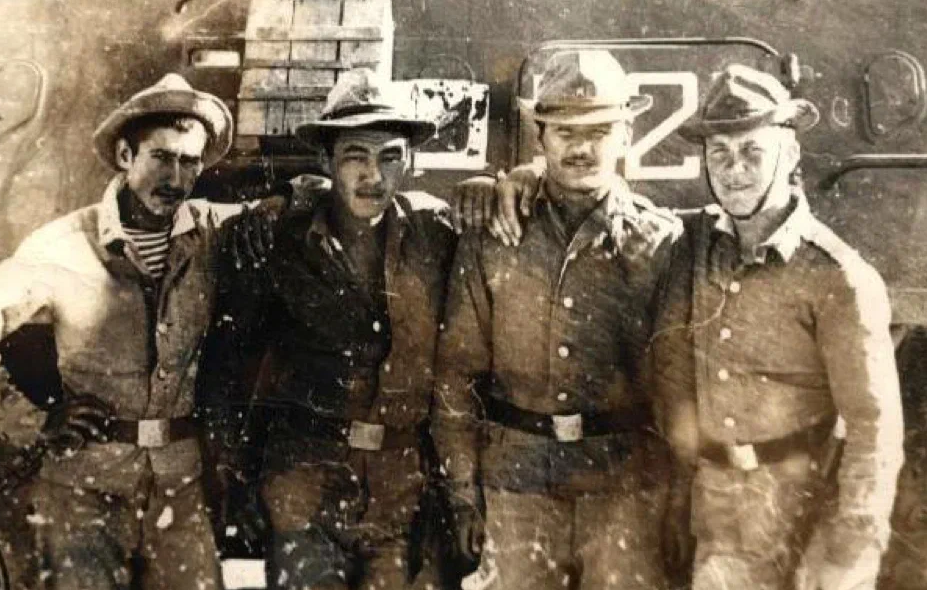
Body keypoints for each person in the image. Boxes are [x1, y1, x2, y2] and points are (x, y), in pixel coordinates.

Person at [431, 50, 681, 590]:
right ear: (539, 136)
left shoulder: (662, 242)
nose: (581, 148)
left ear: (626, 136)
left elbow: (680, 387)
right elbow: (456, 372)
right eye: (565, 131)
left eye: (600, 131)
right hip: (517, 485)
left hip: (625, 488)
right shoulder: (494, 235)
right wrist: (463, 492)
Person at [649, 64, 904, 590]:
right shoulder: (696, 245)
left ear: (788, 155)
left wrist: (851, 545)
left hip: (808, 511)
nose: (734, 170)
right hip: (720, 510)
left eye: (753, 151)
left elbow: (873, 426)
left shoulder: (837, 276)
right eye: (719, 153)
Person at [212, 68, 455, 590]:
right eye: (355, 156)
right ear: (325, 161)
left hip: (400, 488)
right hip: (303, 483)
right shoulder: (279, 238)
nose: (374, 176)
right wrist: (235, 474)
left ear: (410, 162)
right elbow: (232, 361)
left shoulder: (434, 234)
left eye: (390, 156)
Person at [0, 73, 245, 589]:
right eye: (161, 157)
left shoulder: (210, 235)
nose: (176, 177)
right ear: (124, 156)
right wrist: (30, 422)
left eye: (190, 161)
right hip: (83, 488)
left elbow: (295, 206)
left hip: (177, 487)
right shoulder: (60, 245)